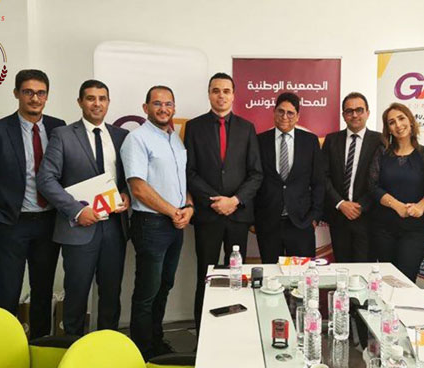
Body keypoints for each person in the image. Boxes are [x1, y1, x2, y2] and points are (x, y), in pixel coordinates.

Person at [0, 69, 65, 339]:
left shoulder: (58, 128)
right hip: (11, 225)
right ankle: (3, 347)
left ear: (47, 96)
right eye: (28, 92)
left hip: (48, 224)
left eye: (41, 93)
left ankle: (40, 347)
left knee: (43, 293)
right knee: (7, 293)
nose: (35, 98)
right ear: (16, 94)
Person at [36, 79, 130, 336]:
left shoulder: (121, 136)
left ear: (108, 102)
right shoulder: (63, 135)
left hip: (114, 228)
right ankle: (73, 348)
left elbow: (128, 178)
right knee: (76, 296)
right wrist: (77, 210)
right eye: (90, 98)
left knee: (111, 295)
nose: (97, 104)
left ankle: (107, 348)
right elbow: (46, 179)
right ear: (80, 102)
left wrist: (126, 194)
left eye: (102, 98)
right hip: (79, 229)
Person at [184, 72, 263, 332]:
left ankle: (233, 330)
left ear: (233, 95)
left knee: (235, 278)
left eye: (226, 91)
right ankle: (203, 333)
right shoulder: (194, 127)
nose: (221, 95)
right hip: (208, 215)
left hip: (238, 216)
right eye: (216, 90)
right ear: (209, 94)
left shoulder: (246, 128)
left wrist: (234, 201)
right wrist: (215, 201)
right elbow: (190, 172)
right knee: (205, 276)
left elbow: (256, 173)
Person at [120, 86, 193, 360]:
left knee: (164, 287)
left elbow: (181, 182)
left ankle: (157, 342)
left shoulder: (175, 139)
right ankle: (142, 352)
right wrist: (174, 211)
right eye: (157, 104)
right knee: (147, 293)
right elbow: (138, 188)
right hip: (151, 225)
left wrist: (189, 207)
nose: (163, 109)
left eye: (168, 104)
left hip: (175, 224)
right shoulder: (137, 139)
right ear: (145, 107)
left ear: (174, 107)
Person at [254, 92, 324, 263]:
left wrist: (314, 217)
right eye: (281, 111)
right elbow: (253, 179)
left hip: (301, 222)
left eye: (290, 113)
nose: (285, 116)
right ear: (274, 112)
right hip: (268, 222)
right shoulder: (259, 141)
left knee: (302, 275)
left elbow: (318, 181)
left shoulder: (310, 141)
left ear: (298, 116)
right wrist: (253, 219)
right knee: (270, 275)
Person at [368, 103, 424, 282]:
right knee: (387, 281)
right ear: (388, 129)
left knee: (405, 280)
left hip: (415, 230)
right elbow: (372, 186)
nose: (398, 125)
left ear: (410, 121)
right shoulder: (382, 153)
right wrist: (397, 206)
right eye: (392, 122)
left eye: (401, 118)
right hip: (384, 229)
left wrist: (421, 206)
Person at [322, 92, 381, 262]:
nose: (354, 115)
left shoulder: (380, 140)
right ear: (343, 115)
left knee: (365, 268)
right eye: (349, 111)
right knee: (342, 268)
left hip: (367, 218)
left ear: (367, 113)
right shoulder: (331, 140)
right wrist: (341, 204)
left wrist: (360, 206)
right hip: (338, 216)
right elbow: (323, 176)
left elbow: (381, 178)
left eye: (359, 110)